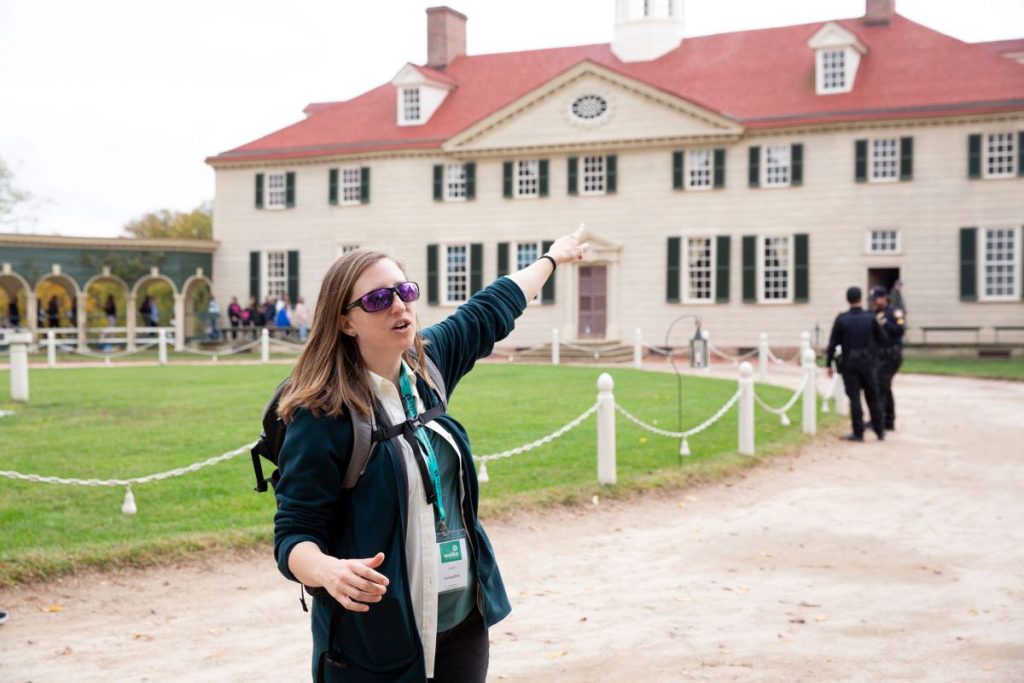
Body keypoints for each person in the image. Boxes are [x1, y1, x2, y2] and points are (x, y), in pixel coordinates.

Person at [273, 227, 589, 683]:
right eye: (379, 299)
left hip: (460, 620)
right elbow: (293, 535)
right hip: (377, 640)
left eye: (404, 291)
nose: (400, 306)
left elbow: (491, 308)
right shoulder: (322, 415)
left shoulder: (427, 365)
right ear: (345, 321)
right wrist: (327, 570)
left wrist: (553, 259)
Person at [826, 286, 887, 442]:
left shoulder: (842, 319)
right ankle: (879, 430)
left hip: (850, 362)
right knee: (872, 396)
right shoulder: (871, 317)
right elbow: (882, 338)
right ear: (861, 298)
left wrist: (828, 364)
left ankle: (858, 431)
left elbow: (833, 343)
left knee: (854, 398)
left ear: (848, 299)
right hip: (867, 362)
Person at [871, 285, 906, 432]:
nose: (875, 301)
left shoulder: (895, 312)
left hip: (892, 355)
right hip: (881, 355)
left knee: (882, 385)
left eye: (877, 298)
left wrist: (885, 322)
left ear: (884, 297)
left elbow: (900, 329)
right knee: (883, 386)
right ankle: (886, 419)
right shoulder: (877, 313)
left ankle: (885, 420)